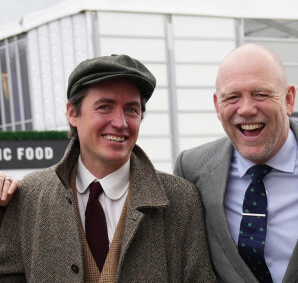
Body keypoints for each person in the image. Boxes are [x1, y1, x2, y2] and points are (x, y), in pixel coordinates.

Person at [0, 54, 216, 282]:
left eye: (131, 110)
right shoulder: (29, 197)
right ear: (72, 113)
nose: (120, 122)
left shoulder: (181, 201)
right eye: (105, 107)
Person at [174, 44, 298, 283]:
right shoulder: (191, 169)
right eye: (232, 97)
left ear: (288, 99)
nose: (246, 109)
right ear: (217, 106)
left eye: (261, 94)